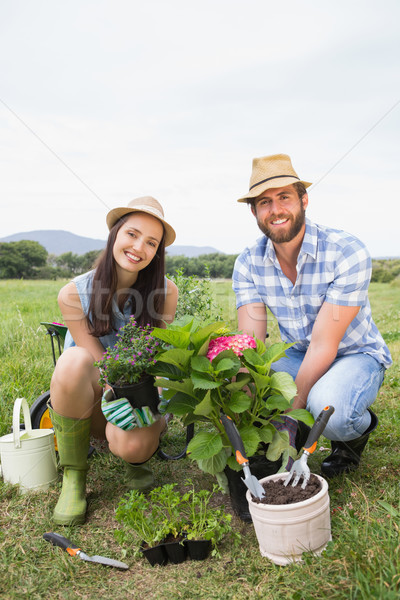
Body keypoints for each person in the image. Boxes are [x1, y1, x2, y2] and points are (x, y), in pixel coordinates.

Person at [232, 153, 392, 480]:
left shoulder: (345, 250)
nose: (275, 209)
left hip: (355, 353)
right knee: (250, 388)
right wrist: (242, 391)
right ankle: (292, 436)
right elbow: (250, 343)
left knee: (331, 411)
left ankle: (355, 432)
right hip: (300, 353)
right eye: (264, 202)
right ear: (254, 212)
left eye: (284, 197)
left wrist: (292, 412)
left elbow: (325, 343)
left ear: (303, 200)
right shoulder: (248, 262)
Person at [49, 196, 178, 526]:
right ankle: (74, 477)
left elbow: (157, 358)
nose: (139, 247)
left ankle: (136, 463)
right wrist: (115, 392)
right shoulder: (74, 294)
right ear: (115, 235)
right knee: (74, 361)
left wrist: (150, 402)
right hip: (93, 400)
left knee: (133, 446)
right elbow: (100, 362)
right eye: (132, 234)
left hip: (139, 399)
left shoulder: (165, 292)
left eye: (151, 242)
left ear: (157, 252)